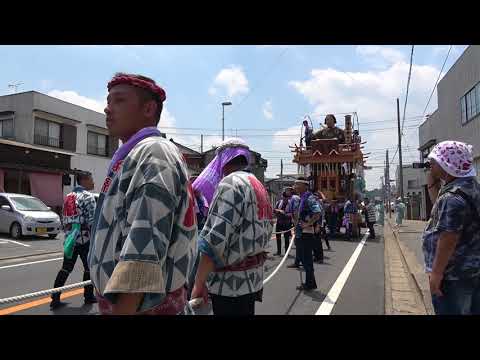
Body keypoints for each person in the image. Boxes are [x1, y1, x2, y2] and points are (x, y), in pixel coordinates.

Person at [88, 73, 197, 315]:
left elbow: (142, 252)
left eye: (118, 101)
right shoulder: (137, 154)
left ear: (148, 108)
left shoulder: (153, 152)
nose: (107, 109)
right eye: (108, 101)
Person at [190, 138, 273, 316]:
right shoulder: (257, 183)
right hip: (252, 278)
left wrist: (199, 283)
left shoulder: (230, 183)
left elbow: (213, 241)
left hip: (229, 284)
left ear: (223, 159)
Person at [421, 141, 480, 315]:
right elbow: (438, 210)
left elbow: (448, 237)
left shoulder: (453, 197)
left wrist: (436, 274)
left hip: (454, 274)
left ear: (448, 165)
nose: (431, 165)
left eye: (435, 162)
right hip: (472, 270)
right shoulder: (470, 187)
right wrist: (432, 180)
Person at [50, 173, 97, 310]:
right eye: (91, 179)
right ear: (84, 180)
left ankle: (55, 298)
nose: (93, 183)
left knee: (65, 268)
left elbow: (64, 219)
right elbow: (92, 221)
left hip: (70, 239)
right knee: (89, 268)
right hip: (85, 239)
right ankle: (88, 296)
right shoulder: (88, 197)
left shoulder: (68, 197)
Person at [288, 178, 320, 290]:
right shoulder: (302, 198)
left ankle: (310, 284)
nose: (295, 186)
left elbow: (317, 212)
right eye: (295, 184)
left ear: (305, 186)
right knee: (303, 258)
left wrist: (308, 224)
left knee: (307, 260)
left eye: (297, 184)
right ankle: (310, 282)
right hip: (300, 233)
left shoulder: (309, 197)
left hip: (306, 233)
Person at [273, 189, 293, 256]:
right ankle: (278, 251)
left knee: (286, 238)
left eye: (286, 197)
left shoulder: (290, 203)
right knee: (278, 237)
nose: (285, 199)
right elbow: (274, 210)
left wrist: (286, 214)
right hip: (279, 222)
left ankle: (286, 253)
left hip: (287, 223)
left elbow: (293, 213)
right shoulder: (279, 202)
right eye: (284, 197)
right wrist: (279, 211)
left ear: (288, 197)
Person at [312, 192, 324, 263]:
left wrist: (318, 225)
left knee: (318, 242)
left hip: (317, 224)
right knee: (314, 242)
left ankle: (320, 258)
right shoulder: (314, 204)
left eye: (315, 196)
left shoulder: (317, 204)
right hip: (313, 224)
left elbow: (319, 216)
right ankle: (316, 257)